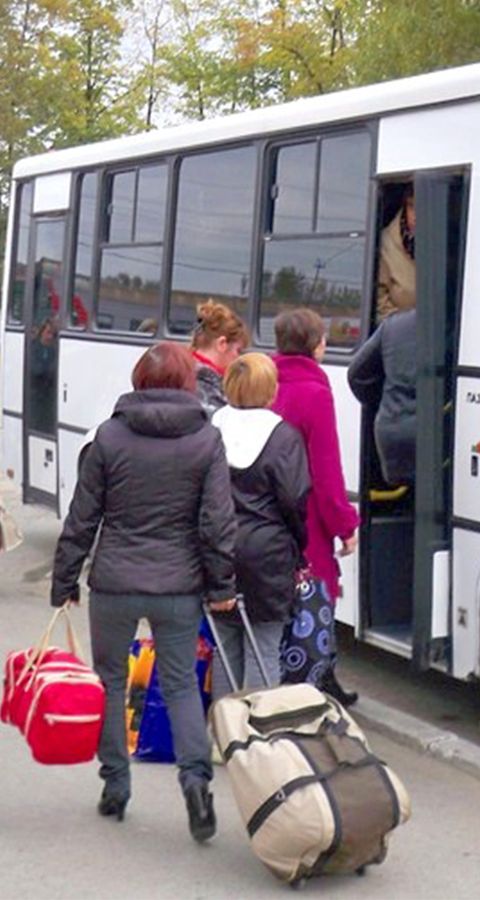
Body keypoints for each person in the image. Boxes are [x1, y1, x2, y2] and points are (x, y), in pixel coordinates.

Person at [49, 341, 236, 842]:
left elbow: (83, 516)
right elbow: (217, 524)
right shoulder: (206, 439)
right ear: (186, 383)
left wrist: (64, 579)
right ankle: (196, 783)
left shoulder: (109, 437)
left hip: (114, 581)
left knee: (110, 680)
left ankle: (115, 784)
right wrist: (221, 586)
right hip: (179, 584)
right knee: (179, 685)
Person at [271, 308, 361, 706]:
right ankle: (315, 682)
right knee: (315, 598)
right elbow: (326, 471)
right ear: (315, 344)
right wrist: (345, 524)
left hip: (259, 514)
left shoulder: (263, 381)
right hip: (305, 520)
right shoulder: (315, 393)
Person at [210, 353, 311, 699]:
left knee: (224, 649)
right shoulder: (283, 437)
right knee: (263, 647)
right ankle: (255, 736)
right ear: (271, 390)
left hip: (218, 550)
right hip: (267, 554)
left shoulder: (211, 429)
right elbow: (295, 501)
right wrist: (299, 550)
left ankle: (222, 730)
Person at [348, 308, 418, 487]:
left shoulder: (393, 325)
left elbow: (357, 374)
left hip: (391, 430)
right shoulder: (457, 326)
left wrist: (385, 404)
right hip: (434, 437)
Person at [191, 299, 249, 415]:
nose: (239, 358)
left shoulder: (182, 374)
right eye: (238, 351)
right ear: (222, 344)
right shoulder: (210, 390)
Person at [375, 185, 416, 320]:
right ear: (405, 207)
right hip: (398, 333)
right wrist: (404, 326)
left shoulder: (443, 242)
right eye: (412, 207)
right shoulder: (386, 243)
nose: (416, 216)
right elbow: (379, 301)